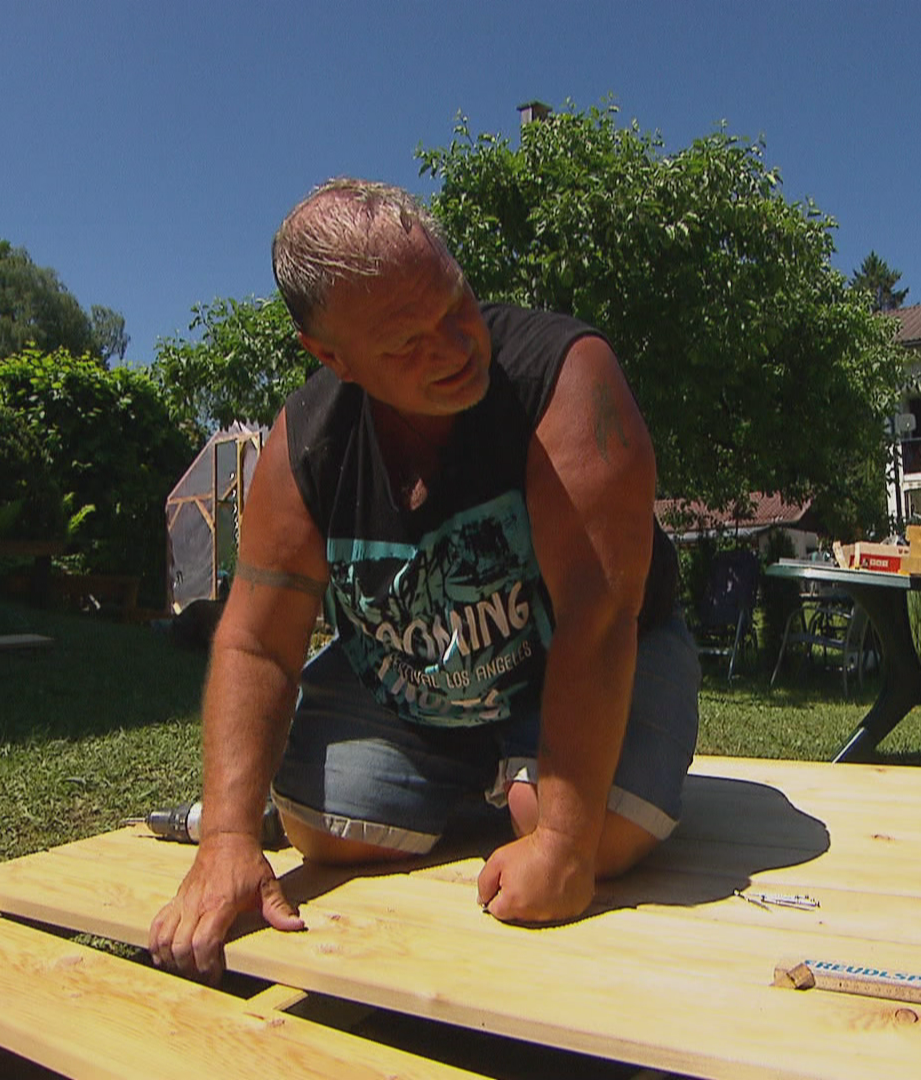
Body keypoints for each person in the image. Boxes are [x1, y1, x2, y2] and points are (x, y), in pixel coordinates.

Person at [149, 178, 698, 983]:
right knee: (321, 828)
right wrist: (228, 839)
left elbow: (598, 613)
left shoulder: (564, 377)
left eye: (455, 303)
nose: (455, 347)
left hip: (585, 658)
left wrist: (564, 846)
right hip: (420, 681)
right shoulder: (306, 444)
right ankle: (487, 778)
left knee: (582, 828)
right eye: (407, 343)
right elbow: (258, 642)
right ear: (333, 356)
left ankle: (520, 786)